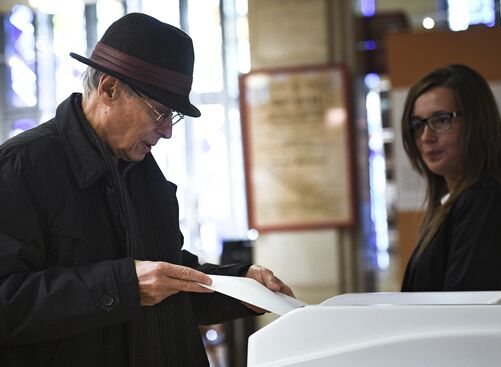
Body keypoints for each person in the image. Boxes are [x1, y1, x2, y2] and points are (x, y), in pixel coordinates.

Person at [0, 13, 293, 366]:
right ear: (109, 89)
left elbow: (163, 276)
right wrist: (123, 287)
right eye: (160, 112)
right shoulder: (22, 166)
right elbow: (8, 302)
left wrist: (239, 287)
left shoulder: (140, 169)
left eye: (173, 116)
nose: (167, 131)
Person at [399, 64, 501, 292]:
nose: (425, 136)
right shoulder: (456, 201)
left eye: (441, 120)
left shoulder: (487, 200)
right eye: (417, 124)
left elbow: (462, 311)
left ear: (477, 123)